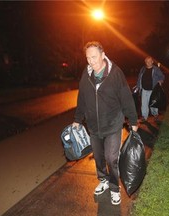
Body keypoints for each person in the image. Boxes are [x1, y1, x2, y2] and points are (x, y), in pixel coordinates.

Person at [72, 41, 138, 205]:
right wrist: (77, 119)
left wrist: (133, 120)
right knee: (99, 158)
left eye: (94, 57)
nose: (91, 61)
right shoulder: (86, 75)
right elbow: (82, 98)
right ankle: (103, 181)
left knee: (111, 157)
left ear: (102, 55)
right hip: (93, 126)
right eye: (88, 58)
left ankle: (115, 188)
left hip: (113, 124)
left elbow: (126, 98)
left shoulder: (115, 73)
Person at [136, 56, 165, 122]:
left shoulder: (156, 69)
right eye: (147, 61)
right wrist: (138, 86)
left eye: (149, 61)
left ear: (152, 62)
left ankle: (156, 115)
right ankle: (144, 117)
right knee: (144, 104)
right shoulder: (143, 69)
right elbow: (139, 78)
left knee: (153, 104)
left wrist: (160, 81)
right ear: (145, 62)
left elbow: (162, 76)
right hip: (144, 89)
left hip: (153, 90)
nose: (148, 62)